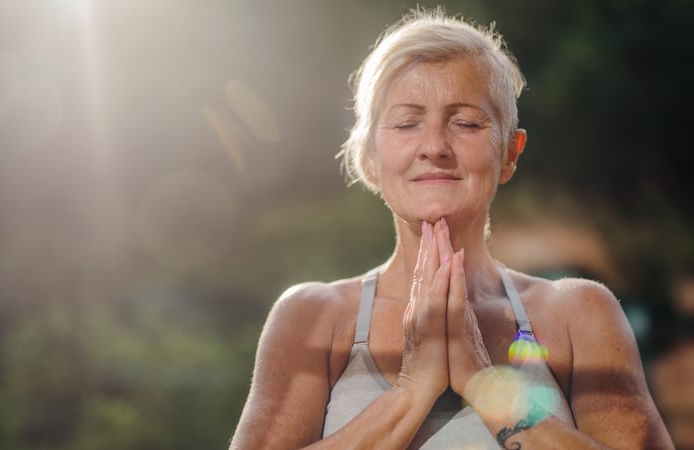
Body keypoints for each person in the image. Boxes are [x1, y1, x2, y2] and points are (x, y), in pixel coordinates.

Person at [230, 8, 673, 449]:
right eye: (406, 123)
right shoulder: (311, 317)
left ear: (509, 153)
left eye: (465, 123)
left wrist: (481, 380)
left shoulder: (580, 314)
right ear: (369, 154)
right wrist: (410, 390)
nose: (435, 147)